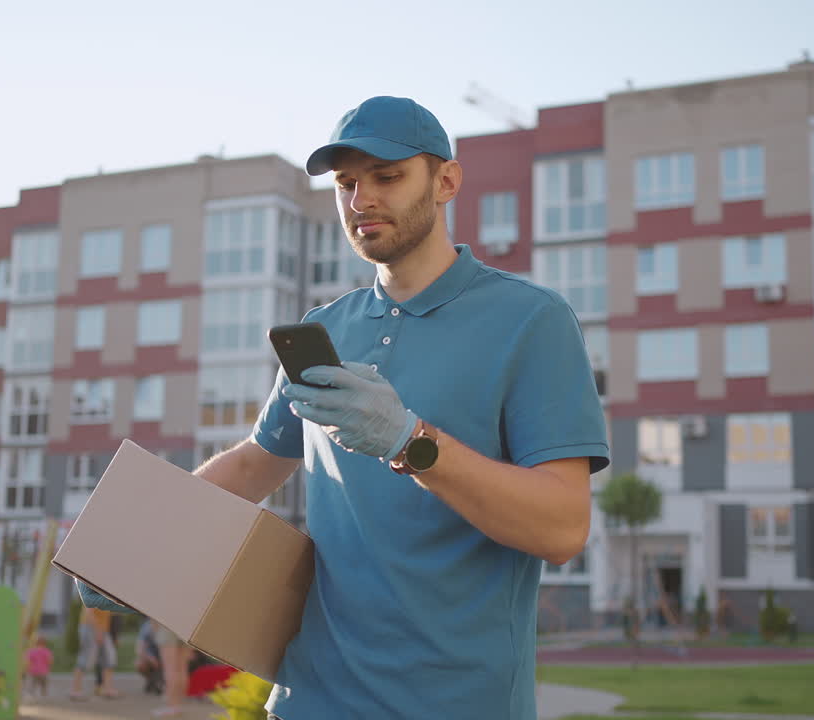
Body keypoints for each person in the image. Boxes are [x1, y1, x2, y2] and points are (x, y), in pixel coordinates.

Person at [78, 95, 608, 719]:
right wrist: (140, 544)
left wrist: (411, 441)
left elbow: (563, 528)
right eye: (346, 183)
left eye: (387, 177)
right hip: (309, 701)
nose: (361, 200)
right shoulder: (328, 328)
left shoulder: (532, 321)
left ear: (446, 181)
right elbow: (256, 464)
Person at [70, 606, 120, 700]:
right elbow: (89, 611)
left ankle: (107, 689)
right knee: (86, 658)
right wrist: (98, 631)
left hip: (103, 629)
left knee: (109, 658)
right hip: (90, 627)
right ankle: (75, 690)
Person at [151, 622, 191, 717]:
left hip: (166, 626)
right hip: (187, 626)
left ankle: (172, 706)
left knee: (170, 669)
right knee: (182, 668)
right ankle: (178, 705)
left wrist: (155, 629)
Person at [135, 619, 164, 695]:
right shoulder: (147, 627)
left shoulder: (166, 627)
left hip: (165, 655)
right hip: (152, 656)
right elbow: (139, 649)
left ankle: (161, 682)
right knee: (140, 664)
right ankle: (152, 681)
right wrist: (149, 658)